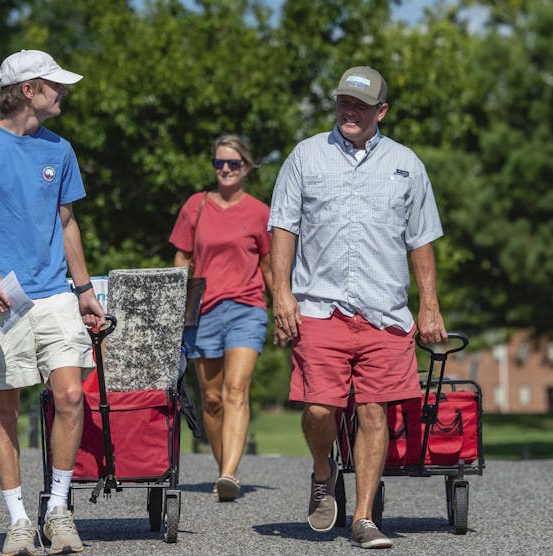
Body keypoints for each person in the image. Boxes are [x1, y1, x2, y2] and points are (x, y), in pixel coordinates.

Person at [268, 66, 448, 549]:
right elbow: (282, 227)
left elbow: (422, 240)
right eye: (343, 102)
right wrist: (281, 294)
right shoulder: (305, 156)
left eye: (361, 106)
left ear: (381, 112)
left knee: (375, 414)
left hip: (385, 312)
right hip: (320, 307)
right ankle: (323, 471)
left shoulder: (407, 164)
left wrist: (429, 305)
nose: (349, 111)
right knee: (319, 409)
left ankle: (364, 516)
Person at [0, 49, 104, 556]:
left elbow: (67, 223)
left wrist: (85, 291)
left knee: (72, 397)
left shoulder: (60, 150)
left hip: (56, 291)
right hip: (1, 295)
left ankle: (57, 510)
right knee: (4, 406)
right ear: (28, 89)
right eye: (55, 85)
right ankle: (17, 520)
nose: (64, 92)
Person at [169, 134, 272, 502]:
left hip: (247, 309)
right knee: (211, 398)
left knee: (235, 389)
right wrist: (177, 304)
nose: (225, 170)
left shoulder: (260, 212)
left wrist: (286, 309)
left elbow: (269, 265)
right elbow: (182, 257)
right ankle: (223, 467)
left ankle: (230, 473)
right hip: (203, 312)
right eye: (219, 163)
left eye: (233, 163)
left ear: (246, 166)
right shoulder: (195, 206)